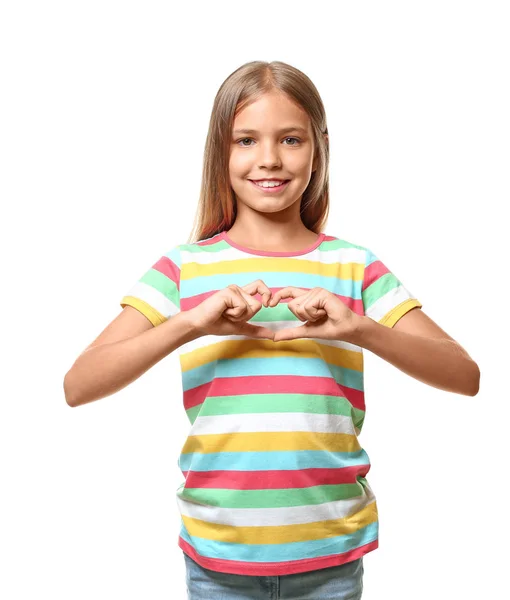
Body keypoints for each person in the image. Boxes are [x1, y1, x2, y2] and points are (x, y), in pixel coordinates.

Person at [63, 60, 480, 600]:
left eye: (290, 139)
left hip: (330, 555)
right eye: (245, 140)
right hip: (219, 558)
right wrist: (189, 324)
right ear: (221, 150)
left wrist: (359, 329)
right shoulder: (185, 269)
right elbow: (79, 385)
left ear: (320, 147)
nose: (269, 159)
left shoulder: (353, 266)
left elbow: (464, 375)